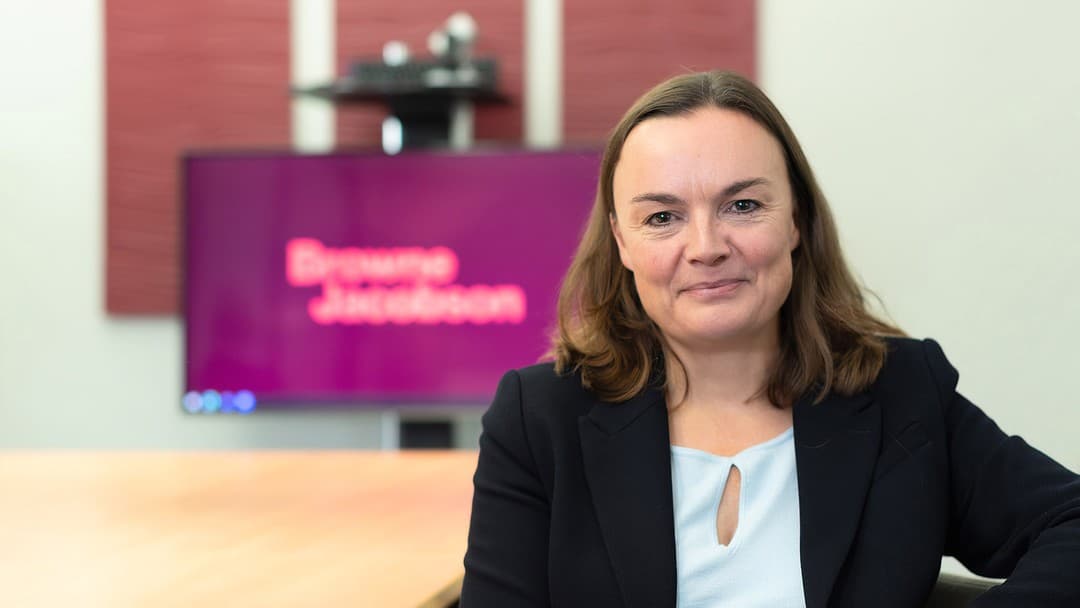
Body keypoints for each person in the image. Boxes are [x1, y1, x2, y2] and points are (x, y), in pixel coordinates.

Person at [459, 71, 1080, 607]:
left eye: (743, 206)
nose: (706, 247)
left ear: (796, 221)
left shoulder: (902, 391)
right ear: (622, 242)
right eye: (663, 217)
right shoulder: (539, 419)